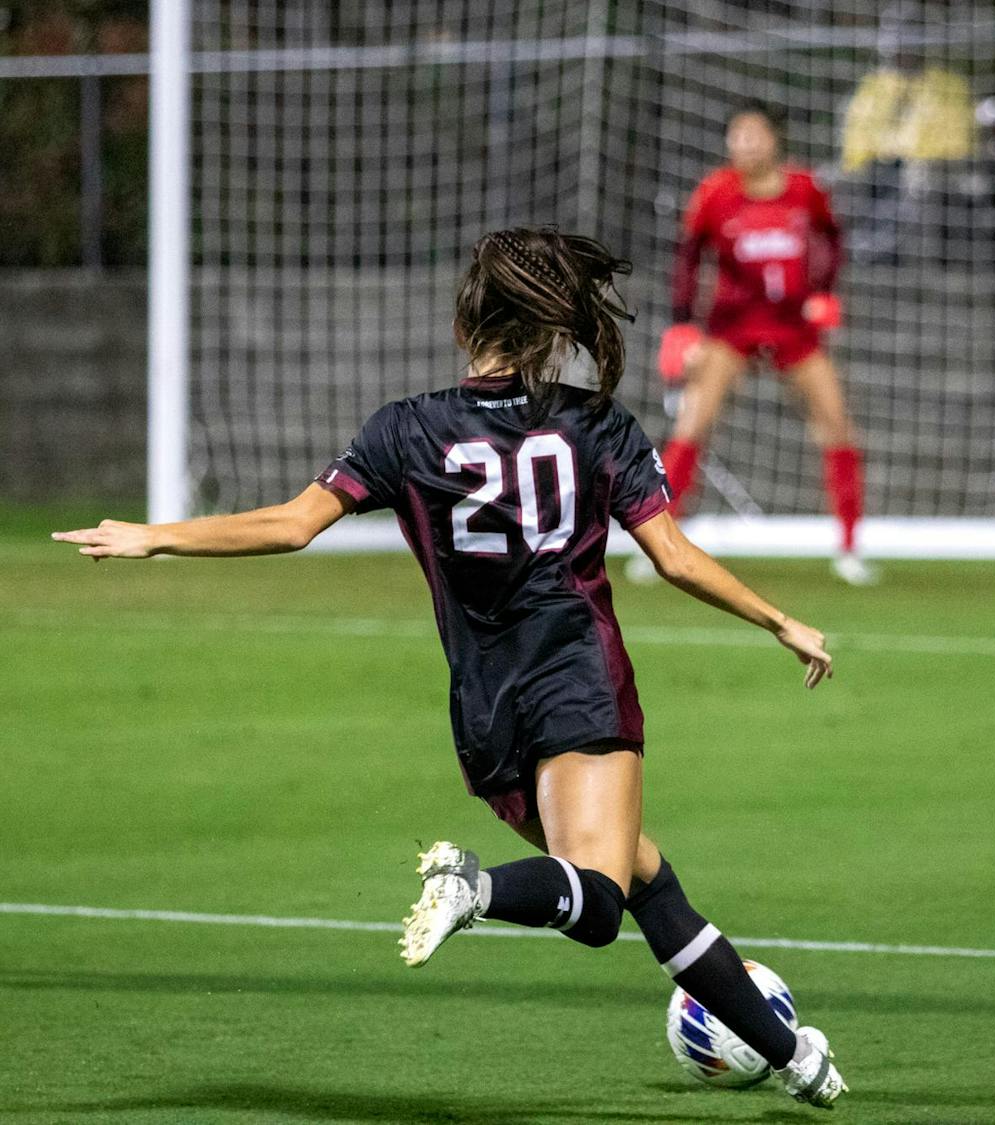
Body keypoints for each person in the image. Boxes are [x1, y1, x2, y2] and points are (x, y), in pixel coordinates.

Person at [52, 227, 849, 1109]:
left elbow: (290, 524)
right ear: (551, 331)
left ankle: (795, 1058)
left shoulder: (407, 429)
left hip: (484, 705)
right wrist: (780, 619)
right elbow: (676, 559)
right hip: (577, 679)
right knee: (592, 904)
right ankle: (476, 889)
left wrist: (154, 536)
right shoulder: (592, 426)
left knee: (647, 880)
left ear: (466, 322)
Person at [657, 101, 878, 586]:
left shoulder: (805, 190)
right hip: (731, 328)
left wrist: (823, 293)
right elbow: (689, 258)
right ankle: (662, 541)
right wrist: (682, 326)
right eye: (736, 135)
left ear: (773, 140)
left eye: (753, 135)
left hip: (793, 327)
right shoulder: (714, 193)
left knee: (837, 426)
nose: (744, 144)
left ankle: (849, 547)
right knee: (693, 424)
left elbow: (832, 240)